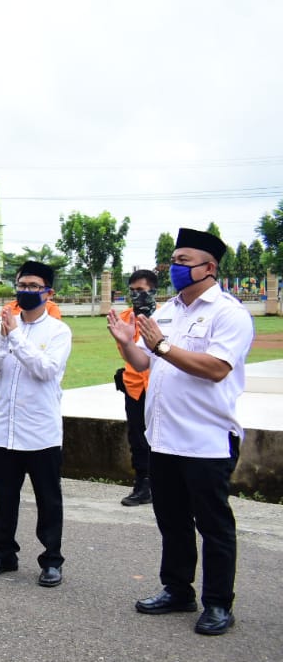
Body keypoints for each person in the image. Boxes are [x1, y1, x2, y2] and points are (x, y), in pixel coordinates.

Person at [107, 228, 254, 636]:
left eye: (183, 261)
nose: (174, 267)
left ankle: (218, 603)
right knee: (172, 520)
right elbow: (145, 363)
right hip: (164, 438)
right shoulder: (167, 311)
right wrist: (126, 343)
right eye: (172, 261)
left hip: (206, 440)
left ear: (209, 267)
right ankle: (177, 589)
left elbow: (217, 368)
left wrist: (162, 346)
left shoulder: (228, 313)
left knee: (214, 525)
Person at [0, 261, 72, 588]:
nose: (26, 291)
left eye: (33, 286)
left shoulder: (58, 331)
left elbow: (45, 370)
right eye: (22, 285)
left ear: (48, 293)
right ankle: (3, 553)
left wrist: (15, 336)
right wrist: (4, 339)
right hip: (3, 429)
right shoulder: (0, 327)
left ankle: (51, 560)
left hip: (40, 432)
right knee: (4, 497)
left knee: (48, 499)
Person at [114, 270, 159, 506]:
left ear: (153, 291)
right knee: (137, 436)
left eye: (141, 290)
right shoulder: (124, 318)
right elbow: (126, 353)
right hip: (133, 385)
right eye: (132, 291)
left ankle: (162, 484)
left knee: (160, 436)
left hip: (158, 386)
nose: (136, 295)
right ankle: (142, 484)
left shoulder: (164, 316)